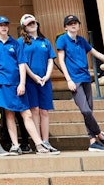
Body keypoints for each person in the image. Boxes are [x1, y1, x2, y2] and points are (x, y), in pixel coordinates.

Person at [56, 14, 104, 152]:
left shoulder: (82, 40)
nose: (73, 25)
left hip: (85, 78)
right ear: (65, 27)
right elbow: (61, 61)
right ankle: (101, 135)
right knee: (85, 110)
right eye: (70, 23)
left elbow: (95, 53)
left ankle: (92, 142)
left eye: (75, 23)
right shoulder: (62, 40)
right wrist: (68, 80)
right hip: (74, 80)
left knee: (88, 112)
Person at [0, 15, 47, 155]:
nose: (4, 27)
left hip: (17, 83)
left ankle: (39, 143)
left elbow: (21, 64)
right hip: (1, 83)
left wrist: (22, 83)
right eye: (1, 25)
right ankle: (15, 145)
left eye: (6, 24)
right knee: (9, 114)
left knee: (27, 113)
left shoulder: (15, 43)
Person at [18, 14, 59, 154]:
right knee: (34, 110)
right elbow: (22, 62)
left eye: (33, 23)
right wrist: (33, 76)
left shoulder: (45, 41)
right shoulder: (21, 42)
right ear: (24, 27)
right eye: (29, 24)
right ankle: (38, 142)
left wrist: (47, 76)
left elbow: (50, 59)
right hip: (30, 81)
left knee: (44, 111)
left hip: (44, 81)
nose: (32, 25)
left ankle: (46, 141)